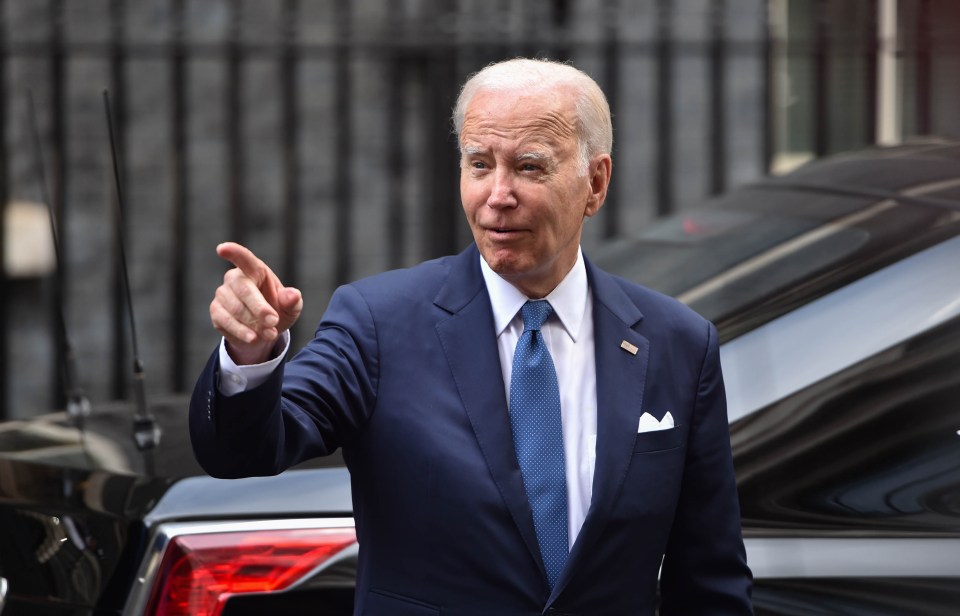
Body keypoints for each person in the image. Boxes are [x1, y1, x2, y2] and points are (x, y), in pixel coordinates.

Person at [190, 58, 753, 615]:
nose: (498, 195)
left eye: (530, 167)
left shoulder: (678, 342)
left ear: (596, 183)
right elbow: (246, 449)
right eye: (479, 164)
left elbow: (710, 579)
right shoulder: (378, 321)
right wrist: (250, 355)